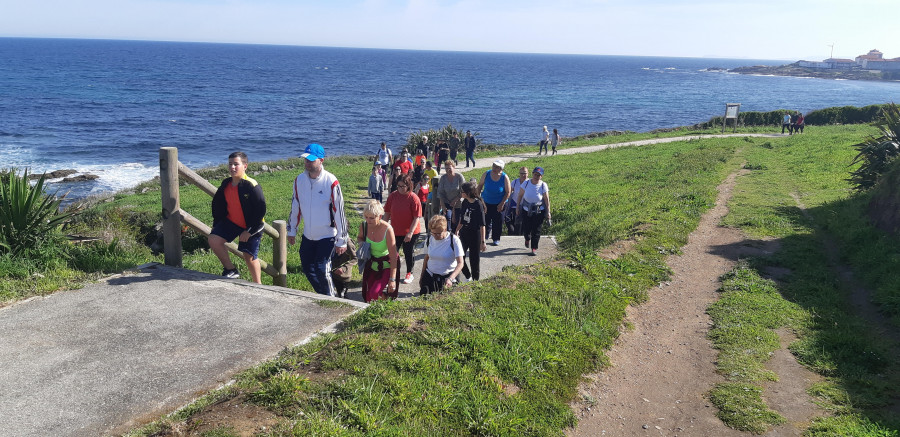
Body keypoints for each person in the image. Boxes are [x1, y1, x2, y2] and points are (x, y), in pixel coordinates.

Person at [288, 143, 349, 296]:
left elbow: (339, 212)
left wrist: (342, 239)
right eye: (306, 159)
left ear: (321, 160)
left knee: (322, 269)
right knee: (308, 267)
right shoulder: (299, 180)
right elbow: (296, 206)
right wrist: (292, 230)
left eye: (311, 160)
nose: (307, 162)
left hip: (327, 235)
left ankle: (332, 299)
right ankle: (325, 294)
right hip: (308, 235)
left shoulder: (331, 181)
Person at [209, 151, 267, 284]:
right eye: (230, 164)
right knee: (213, 239)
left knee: (249, 255)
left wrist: (249, 231)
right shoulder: (226, 184)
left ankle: (258, 285)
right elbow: (217, 205)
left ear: (245, 166)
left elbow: (261, 210)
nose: (232, 167)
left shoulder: (251, 185)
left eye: (236, 164)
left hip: (252, 225)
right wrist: (217, 223)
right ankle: (231, 270)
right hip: (232, 222)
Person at [384, 174, 423, 285]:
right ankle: (392, 275)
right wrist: (382, 227)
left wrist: (410, 233)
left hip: (411, 231)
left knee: (408, 252)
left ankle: (409, 273)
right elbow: (387, 213)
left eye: (403, 186)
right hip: (395, 231)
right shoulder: (393, 196)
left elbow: (416, 218)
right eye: (399, 186)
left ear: (408, 186)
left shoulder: (413, 198)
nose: (401, 189)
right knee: (392, 253)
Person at [356, 200, 398, 302]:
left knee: (374, 293)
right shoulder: (364, 225)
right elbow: (360, 238)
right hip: (371, 264)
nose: (368, 220)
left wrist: (392, 280)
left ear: (379, 216)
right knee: (368, 296)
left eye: (372, 218)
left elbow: (393, 257)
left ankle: (386, 306)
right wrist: (362, 244)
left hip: (386, 265)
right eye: (366, 217)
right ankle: (377, 311)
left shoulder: (387, 229)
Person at [420, 215, 465, 295]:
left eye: (438, 233)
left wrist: (451, 278)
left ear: (445, 229)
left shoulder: (454, 240)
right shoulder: (430, 238)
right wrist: (422, 276)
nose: (435, 236)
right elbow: (426, 258)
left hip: (448, 277)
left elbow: (460, 263)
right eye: (433, 233)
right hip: (430, 275)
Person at [515, 166, 551, 256]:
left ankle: (534, 248)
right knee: (526, 229)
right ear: (532, 174)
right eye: (535, 174)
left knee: (536, 230)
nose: (536, 176)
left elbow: (546, 199)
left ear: (541, 176)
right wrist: (517, 207)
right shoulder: (526, 183)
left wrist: (548, 212)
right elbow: (520, 196)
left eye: (539, 175)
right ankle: (527, 239)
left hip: (539, 211)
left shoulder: (543, 185)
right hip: (526, 210)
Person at [455, 181, 486, 281]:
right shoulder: (464, 202)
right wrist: (457, 230)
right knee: (460, 256)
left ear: (468, 192)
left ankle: (475, 280)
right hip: (464, 232)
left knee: (474, 259)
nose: (461, 193)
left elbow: (482, 225)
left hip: (475, 234)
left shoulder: (478, 204)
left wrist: (483, 241)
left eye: (462, 191)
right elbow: (462, 218)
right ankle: (468, 277)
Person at [477, 159, 511, 246]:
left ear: (501, 169)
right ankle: (485, 236)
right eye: (494, 166)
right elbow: (480, 185)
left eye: (497, 167)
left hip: (499, 202)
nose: (494, 168)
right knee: (485, 220)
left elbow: (508, 192)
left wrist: (502, 203)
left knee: (498, 221)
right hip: (486, 201)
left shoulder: (504, 177)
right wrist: (479, 198)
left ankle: (496, 238)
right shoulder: (486, 174)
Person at [436, 160, 465, 230]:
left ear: (454, 167)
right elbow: (440, 193)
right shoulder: (443, 178)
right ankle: (449, 234)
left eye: (449, 168)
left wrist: (456, 199)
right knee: (448, 218)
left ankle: (456, 236)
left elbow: (464, 191)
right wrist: (443, 206)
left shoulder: (459, 177)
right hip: (447, 203)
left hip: (458, 203)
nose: (448, 170)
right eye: (446, 169)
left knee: (457, 222)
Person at [505, 166, 529, 235]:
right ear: (519, 174)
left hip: (526, 206)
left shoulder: (530, 183)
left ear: (528, 174)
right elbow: (508, 192)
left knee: (523, 225)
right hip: (515, 206)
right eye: (521, 173)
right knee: (514, 224)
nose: (523, 175)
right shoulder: (515, 182)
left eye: (525, 173)